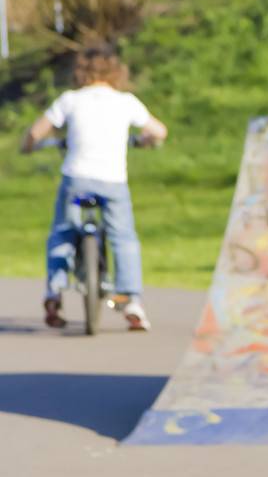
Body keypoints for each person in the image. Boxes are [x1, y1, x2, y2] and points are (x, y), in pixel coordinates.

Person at [20, 46, 168, 331]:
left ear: (81, 72)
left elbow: (36, 132)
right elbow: (159, 131)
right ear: (117, 72)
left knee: (63, 231)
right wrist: (143, 141)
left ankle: (55, 289)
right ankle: (130, 299)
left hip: (77, 181)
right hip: (112, 183)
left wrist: (28, 147)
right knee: (123, 237)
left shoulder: (70, 100)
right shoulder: (125, 102)